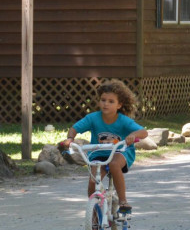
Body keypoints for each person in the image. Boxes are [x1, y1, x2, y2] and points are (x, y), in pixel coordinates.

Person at [60, 80, 148, 214]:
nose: (106, 103)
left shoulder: (123, 120)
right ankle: (94, 211)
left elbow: (143, 132)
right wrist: (70, 138)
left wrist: (132, 135)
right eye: (103, 100)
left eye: (111, 101)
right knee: (93, 180)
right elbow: (74, 128)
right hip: (99, 153)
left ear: (119, 105)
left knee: (113, 165)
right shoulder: (93, 118)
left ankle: (123, 201)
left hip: (120, 152)